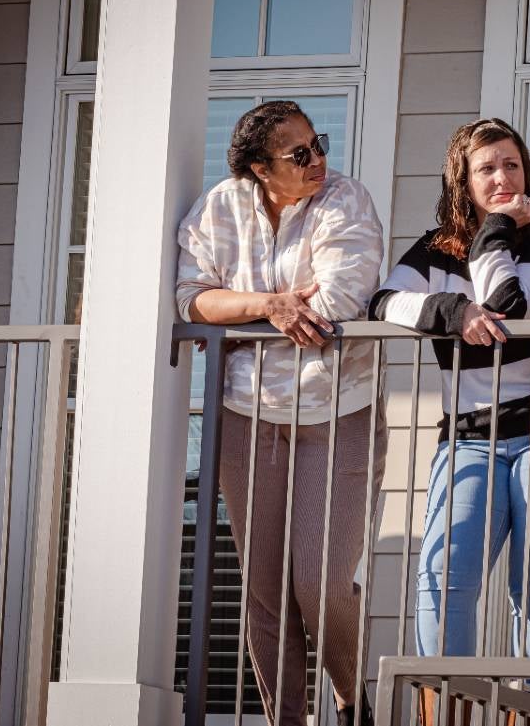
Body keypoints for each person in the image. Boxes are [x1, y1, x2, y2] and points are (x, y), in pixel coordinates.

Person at [369, 118, 530, 721]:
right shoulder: (433, 251)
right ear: (460, 181)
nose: (502, 178)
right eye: (486, 169)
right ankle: (444, 713)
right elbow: (384, 301)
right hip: (469, 436)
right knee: (442, 582)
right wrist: (450, 309)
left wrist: (498, 228)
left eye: (513, 166)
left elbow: (507, 312)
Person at [176, 100, 385, 726]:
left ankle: (350, 699)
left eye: (318, 143)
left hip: (339, 411)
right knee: (265, 594)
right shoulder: (220, 206)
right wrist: (268, 304)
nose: (318, 158)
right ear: (261, 170)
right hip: (247, 414)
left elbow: (338, 301)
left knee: (319, 585)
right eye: (300, 154)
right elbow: (191, 299)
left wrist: (236, 313)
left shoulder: (345, 198)